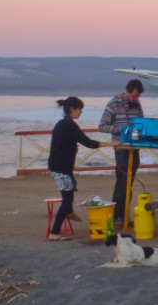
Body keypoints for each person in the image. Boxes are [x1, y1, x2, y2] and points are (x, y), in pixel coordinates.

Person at [48, 97, 116, 241]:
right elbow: (88, 143)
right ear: (72, 109)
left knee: (71, 189)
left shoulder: (64, 123)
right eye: (80, 109)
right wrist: (111, 144)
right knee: (67, 199)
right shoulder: (68, 125)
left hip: (60, 166)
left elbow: (64, 143)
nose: (81, 112)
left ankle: (69, 212)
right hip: (60, 167)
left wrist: (72, 148)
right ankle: (55, 232)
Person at [99, 79, 145, 223]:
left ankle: (124, 215)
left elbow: (142, 122)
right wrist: (123, 129)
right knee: (122, 181)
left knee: (129, 182)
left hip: (134, 148)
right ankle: (115, 216)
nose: (136, 99)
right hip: (120, 148)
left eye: (138, 97)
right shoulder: (113, 104)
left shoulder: (137, 104)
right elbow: (102, 126)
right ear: (127, 91)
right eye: (134, 96)